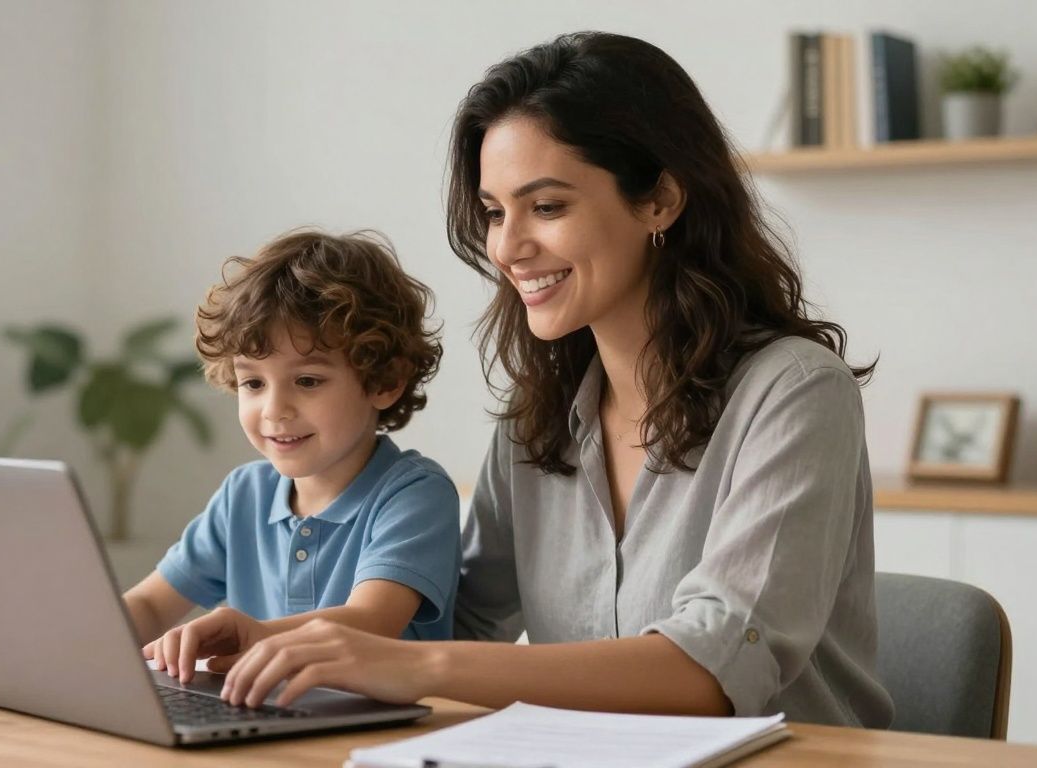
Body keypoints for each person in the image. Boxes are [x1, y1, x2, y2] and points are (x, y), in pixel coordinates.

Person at [168, 32, 896, 729]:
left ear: (660, 201)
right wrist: (271, 636)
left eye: (546, 206)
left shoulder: (796, 393)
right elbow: (455, 623)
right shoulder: (536, 420)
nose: (508, 248)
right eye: (493, 213)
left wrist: (421, 669)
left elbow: (711, 669)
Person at [122, 230, 460, 680]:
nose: (274, 410)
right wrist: (74, 636)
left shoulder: (414, 494)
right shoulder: (244, 494)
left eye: (307, 381)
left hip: (383, 735)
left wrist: (256, 634)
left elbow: (370, 622)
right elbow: (149, 603)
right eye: (253, 383)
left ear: (385, 381)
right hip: (261, 723)